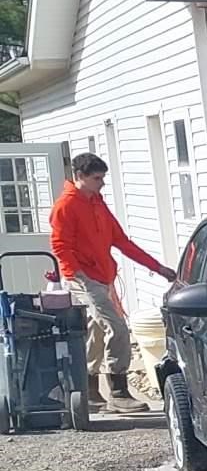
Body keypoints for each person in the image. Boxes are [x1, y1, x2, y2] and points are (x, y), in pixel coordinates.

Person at [47, 153, 173, 413]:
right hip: (83, 278)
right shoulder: (65, 206)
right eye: (97, 178)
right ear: (79, 176)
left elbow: (122, 241)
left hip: (103, 277)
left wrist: (158, 268)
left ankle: (90, 390)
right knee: (117, 327)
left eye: (103, 177)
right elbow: (60, 246)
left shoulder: (96, 203)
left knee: (95, 331)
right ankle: (118, 392)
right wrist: (78, 276)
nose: (102, 183)